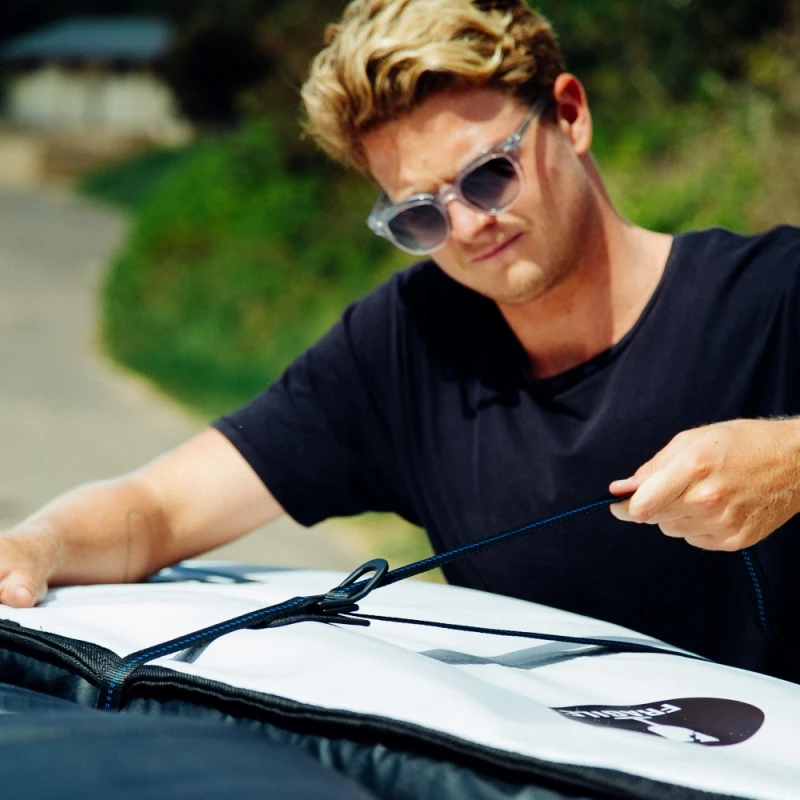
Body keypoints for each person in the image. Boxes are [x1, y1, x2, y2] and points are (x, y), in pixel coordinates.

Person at [1, 0, 799, 681]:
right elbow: (160, 509)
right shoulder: (409, 344)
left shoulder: (773, 294)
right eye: (420, 215)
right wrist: (33, 547)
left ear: (569, 114)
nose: (468, 226)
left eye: (489, 175)